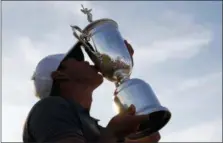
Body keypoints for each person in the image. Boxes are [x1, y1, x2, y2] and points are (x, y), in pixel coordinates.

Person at [23, 40, 161, 143]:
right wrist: (113, 133)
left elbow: (152, 137)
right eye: (77, 59)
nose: (87, 62)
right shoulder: (49, 108)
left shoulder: (94, 128)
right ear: (59, 75)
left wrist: (122, 74)